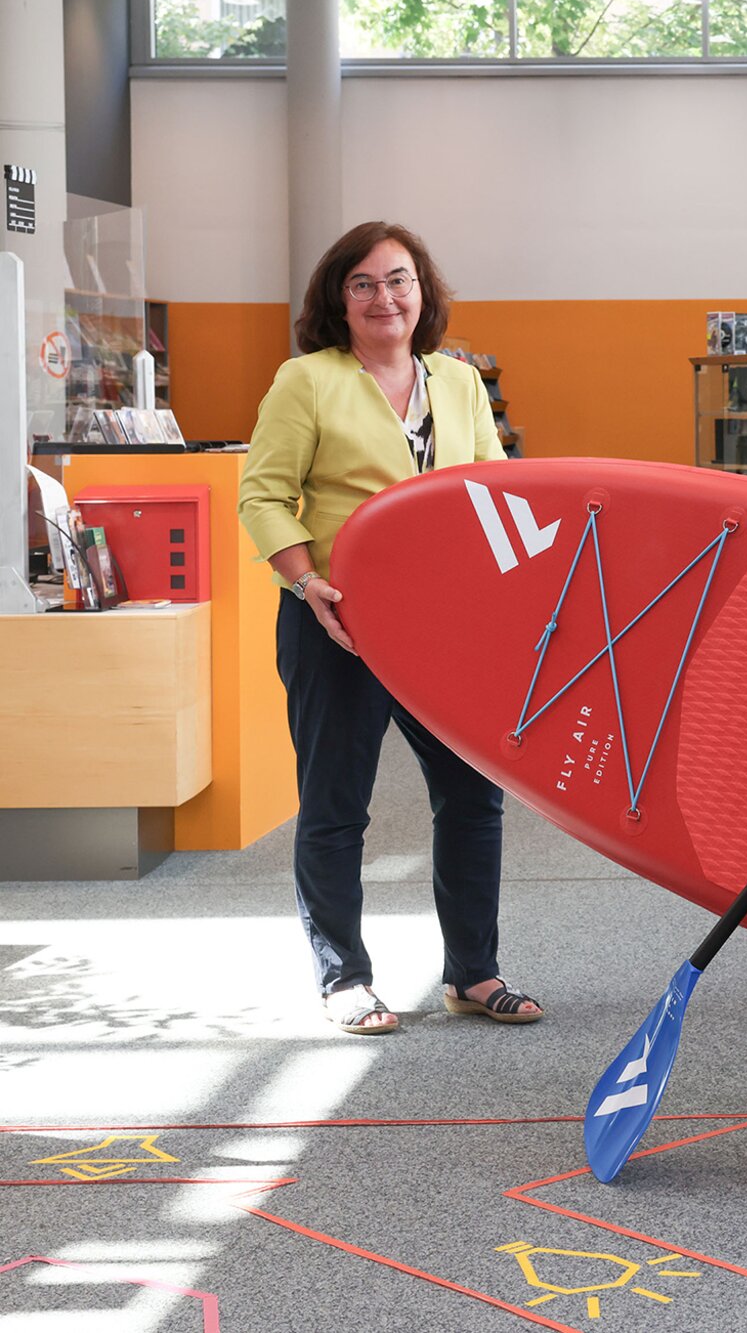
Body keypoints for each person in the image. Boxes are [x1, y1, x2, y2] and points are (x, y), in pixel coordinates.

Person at [238, 221, 542, 1036]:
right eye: (365, 284)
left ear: (423, 291)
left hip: (445, 631)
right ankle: (344, 977)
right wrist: (307, 583)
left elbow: (491, 492)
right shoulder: (306, 381)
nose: (386, 298)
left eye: (399, 280)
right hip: (337, 626)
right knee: (337, 806)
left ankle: (473, 972)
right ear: (339, 299)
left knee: (474, 799)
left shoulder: (460, 382)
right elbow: (262, 495)